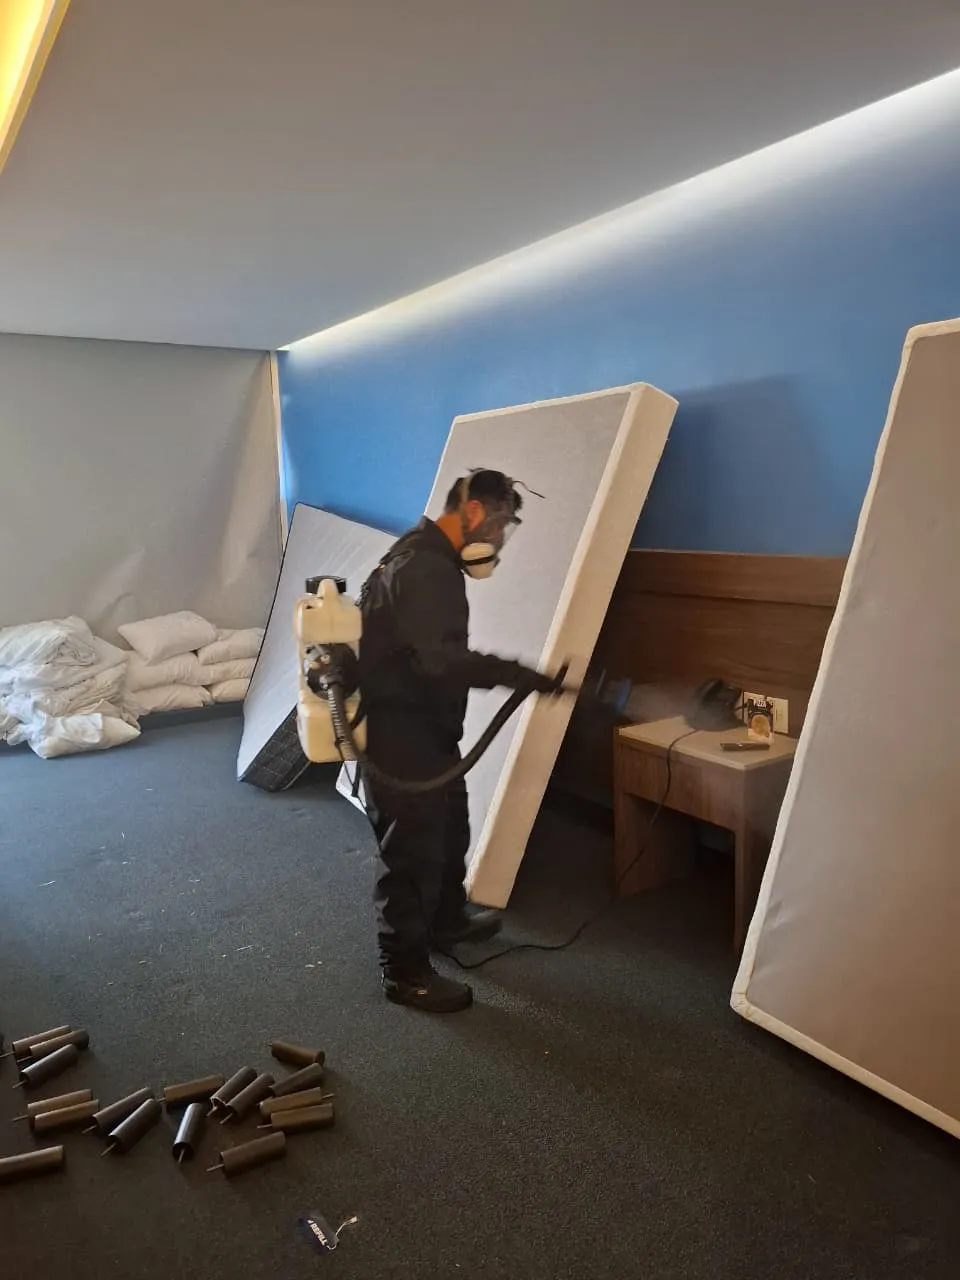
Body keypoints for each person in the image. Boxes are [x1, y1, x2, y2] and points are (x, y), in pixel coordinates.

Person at [356, 469, 567, 1012]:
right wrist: (519, 673)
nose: (498, 540)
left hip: (424, 730)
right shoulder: (427, 569)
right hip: (403, 738)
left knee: (451, 827)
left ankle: (447, 921)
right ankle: (404, 972)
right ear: (473, 513)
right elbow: (441, 661)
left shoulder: (420, 554)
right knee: (410, 853)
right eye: (499, 524)